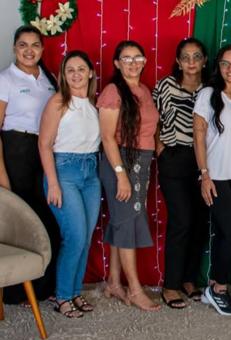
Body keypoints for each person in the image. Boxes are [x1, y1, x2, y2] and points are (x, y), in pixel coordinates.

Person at [36, 51, 101, 320]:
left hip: (91, 173)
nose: (76, 74)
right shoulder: (58, 102)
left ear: (90, 73)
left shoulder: (93, 103)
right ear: (63, 74)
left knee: (85, 238)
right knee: (74, 236)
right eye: (70, 70)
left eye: (81, 69)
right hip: (64, 172)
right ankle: (62, 296)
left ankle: (74, 292)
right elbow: (44, 144)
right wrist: (53, 183)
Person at [97, 39, 160, 311]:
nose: (133, 63)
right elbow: (107, 137)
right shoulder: (113, 91)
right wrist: (121, 174)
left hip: (141, 162)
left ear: (144, 61)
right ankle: (134, 289)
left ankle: (113, 281)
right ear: (117, 63)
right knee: (127, 223)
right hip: (120, 161)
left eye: (138, 58)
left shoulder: (144, 90)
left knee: (124, 219)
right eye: (126, 58)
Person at [0, 26, 58, 304]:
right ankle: (15, 293)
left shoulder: (48, 79)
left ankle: (42, 289)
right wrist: (2, 175)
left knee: (46, 222)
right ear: (14, 48)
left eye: (35, 45)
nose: (29, 50)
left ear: (42, 49)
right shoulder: (5, 79)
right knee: (21, 224)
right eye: (23, 45)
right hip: (17, 152)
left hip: (43, 153)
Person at [194, 44, 231, 317]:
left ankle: (213, 287)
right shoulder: (208, 94)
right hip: (216, 175)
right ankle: (219, 289)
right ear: (218, 67)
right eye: (226, 63)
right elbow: (198, 137)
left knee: (226, 233)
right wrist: (204, 175)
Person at [153, 38, 209, 309]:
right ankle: (170, 285)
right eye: (185, 57)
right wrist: (160, 148)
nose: (191, 62)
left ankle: (188, 279)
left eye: (196, 56)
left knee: (199, 221)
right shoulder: (166, 85)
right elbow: (153, 118)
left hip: (202, 160)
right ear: (178, 61)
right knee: (181, 220)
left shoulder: (209, 89)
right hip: (173, 157)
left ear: (204, 61)